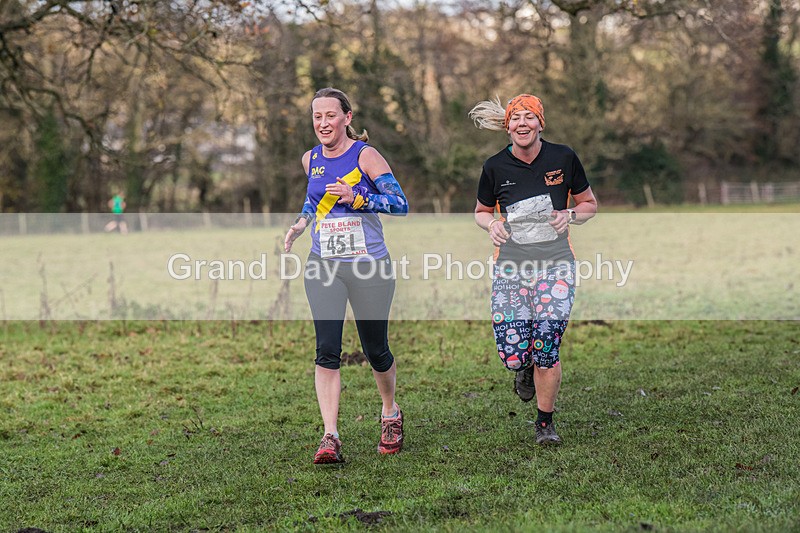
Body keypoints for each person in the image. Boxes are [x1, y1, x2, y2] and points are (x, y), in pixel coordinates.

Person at [284, 87, 409, 464]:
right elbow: (314, 200)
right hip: (324, 264)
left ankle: (390, 413)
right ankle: (330, 436)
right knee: (326, 350)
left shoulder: (365, 156)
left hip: (369, 266)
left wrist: (359, 198)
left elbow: (400, 204)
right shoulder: (310, 158)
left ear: (347, 117)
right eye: (317, 116)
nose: (323, 123)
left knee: (375, 350)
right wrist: (301, 223)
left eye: (330, 115)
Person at [469, 94, 598, 445]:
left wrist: (570, 214)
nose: (522, 123)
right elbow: (481, 211)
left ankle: (545, 423)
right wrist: (492, 224)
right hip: (511, 267)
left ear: (541, 123)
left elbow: (589, 204)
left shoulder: (563, 157)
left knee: (547, 345)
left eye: (530, 117)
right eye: (516, 117)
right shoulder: (494, 167)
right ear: (507, 126)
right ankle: (523, 368)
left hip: (557, 264)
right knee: (514, 356)